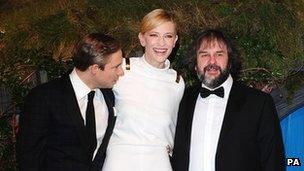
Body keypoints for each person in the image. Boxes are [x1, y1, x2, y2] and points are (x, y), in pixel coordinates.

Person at [172, 29, 285, 171]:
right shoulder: (181, 100)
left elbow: (273, 163)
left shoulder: (259, 103)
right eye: (204, 54)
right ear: (195, 64)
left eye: (219, 54)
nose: (212, 61)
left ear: (230, 61)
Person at [17, 33, 124, 171]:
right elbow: (29, 157)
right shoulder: (44, 97)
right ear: (95, 69)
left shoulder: (109, 95)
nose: (121, 72)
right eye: (116, 66)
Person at [102, 9, 185, 171]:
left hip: (159, 162)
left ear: (175, 41)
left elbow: (173, 126)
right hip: (119, 159)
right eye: (154, 35)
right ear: (142, 39)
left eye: (167, 36)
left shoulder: (177, 82)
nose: (161, 43)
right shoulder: (122, 69)